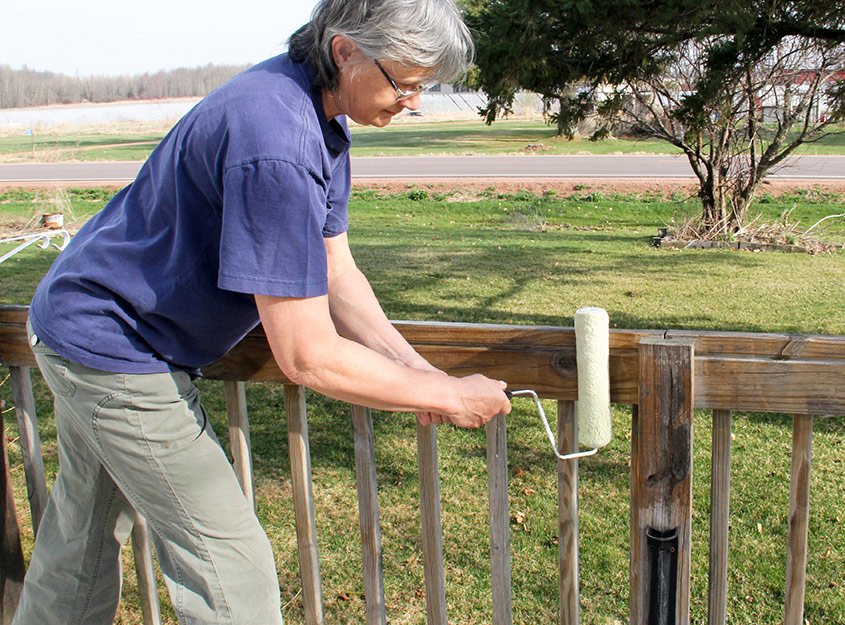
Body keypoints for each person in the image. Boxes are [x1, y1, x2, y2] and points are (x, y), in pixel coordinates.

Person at [15, 1, 511, 623]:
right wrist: (441, 398)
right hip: (114, 343)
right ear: (344, 50)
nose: (413, 102)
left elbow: (337, 274)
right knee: (230, 568)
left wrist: (428, 378)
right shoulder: (277, 141)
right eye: (406, 83)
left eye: (424, 87)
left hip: (79, 320)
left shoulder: (311, 111)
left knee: (80, 546)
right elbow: (307, 355)